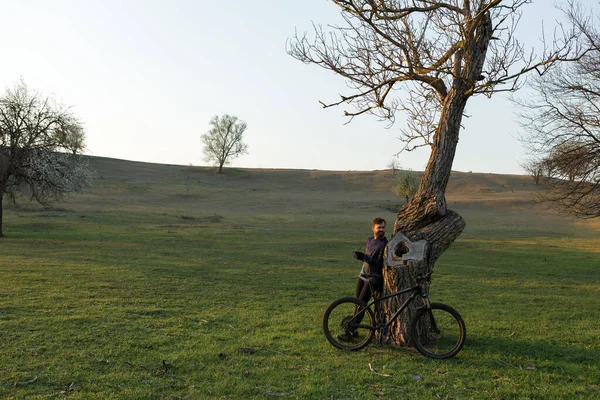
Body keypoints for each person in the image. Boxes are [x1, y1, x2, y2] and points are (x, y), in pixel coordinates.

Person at [338, 217, 388, 341]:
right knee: (358, 303)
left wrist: (365, 257)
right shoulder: (370, 240)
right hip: (363, 274)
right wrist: (361, 257)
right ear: (373, 228)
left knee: (362, 304)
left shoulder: (385, 244)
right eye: (379, 227)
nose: (381, 229)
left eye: (383, 227)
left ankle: (349, 332)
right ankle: (354, 329)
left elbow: (379, 263)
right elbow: (367, 258)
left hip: (374, 277)